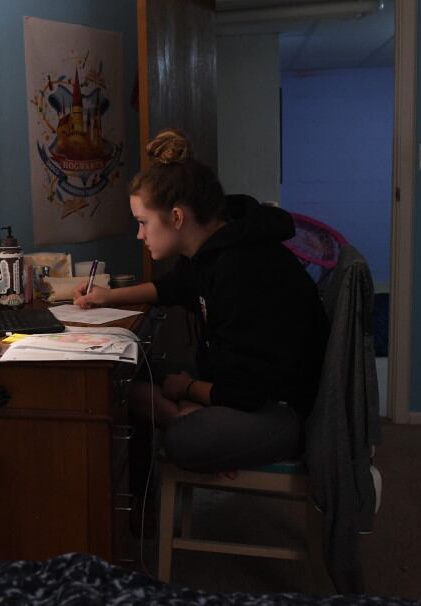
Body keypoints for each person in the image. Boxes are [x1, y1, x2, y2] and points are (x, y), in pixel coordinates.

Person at [73, 129, 329, 474]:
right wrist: (107, 297)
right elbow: (171, 288)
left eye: (143, 223)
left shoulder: (241, 268)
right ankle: (196, 422)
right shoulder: (212, 249)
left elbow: (248, 389)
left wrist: (191, 389)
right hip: (238, 387)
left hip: (282, 409)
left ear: (177, 217)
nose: (140, 234)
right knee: (127, 379)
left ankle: (198, 425)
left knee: (183, 440)